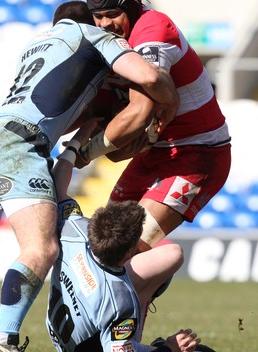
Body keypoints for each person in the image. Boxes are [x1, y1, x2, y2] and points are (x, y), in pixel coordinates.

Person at [0, 0, 179, 352]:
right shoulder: (92, 35)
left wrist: (80, 135)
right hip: (18, 144)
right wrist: (167, 103)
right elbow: (148, 76)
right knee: (41, 248)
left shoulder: (37, 43)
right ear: (88, 22)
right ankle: (2, 340)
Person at [76, 0, 232, 250]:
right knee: (104, 246)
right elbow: (116, 144)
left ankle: (154, 278)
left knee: (127, 251)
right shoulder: (111, 40)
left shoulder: (152, 28)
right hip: (154, 152)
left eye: (112, 14)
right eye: (98, 17)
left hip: (197, 153)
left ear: (132, 6)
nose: (104, 24)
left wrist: (83, 153)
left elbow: (140, 111)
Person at [46, 120, 203, 352]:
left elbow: (58, 186)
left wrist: (79, 139)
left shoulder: (75, 230)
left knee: (170, 255)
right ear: (130, 252)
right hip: (98, 346)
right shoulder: (119, 298)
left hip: (70, 333)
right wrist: (169, 349)